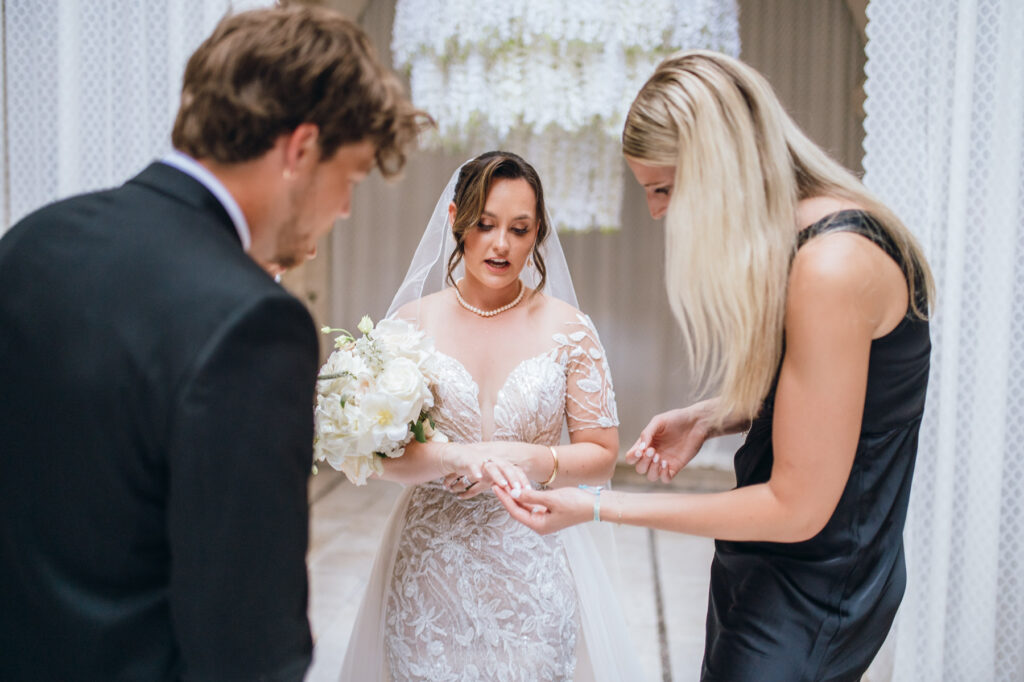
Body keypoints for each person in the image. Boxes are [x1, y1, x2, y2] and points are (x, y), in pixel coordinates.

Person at [0, 6, 426, 681]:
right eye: (351, 175)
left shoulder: (33, 241)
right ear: (300, 149)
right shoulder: (251, 323)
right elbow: (248, 637)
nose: (344, 208)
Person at [496, 50, 934, 682]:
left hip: (813, 583)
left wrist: (600, 504)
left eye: (665, 188)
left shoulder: (831, 265)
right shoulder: (809, 240)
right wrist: (712, 415)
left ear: (720, 165)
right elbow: (842, 396)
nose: (657, 213)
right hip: (768, 564)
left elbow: (796, 506)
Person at [335, 151, 643, 681]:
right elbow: (377, 456)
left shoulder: (571, 330)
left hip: (533, 560)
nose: (501, 244)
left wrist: (528, 457)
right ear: (456, 220)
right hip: (429, 567)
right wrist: (452, 457)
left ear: (538, 232)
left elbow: (601, 456)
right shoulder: (410, 326)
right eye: (485, 225)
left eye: (519, 229)